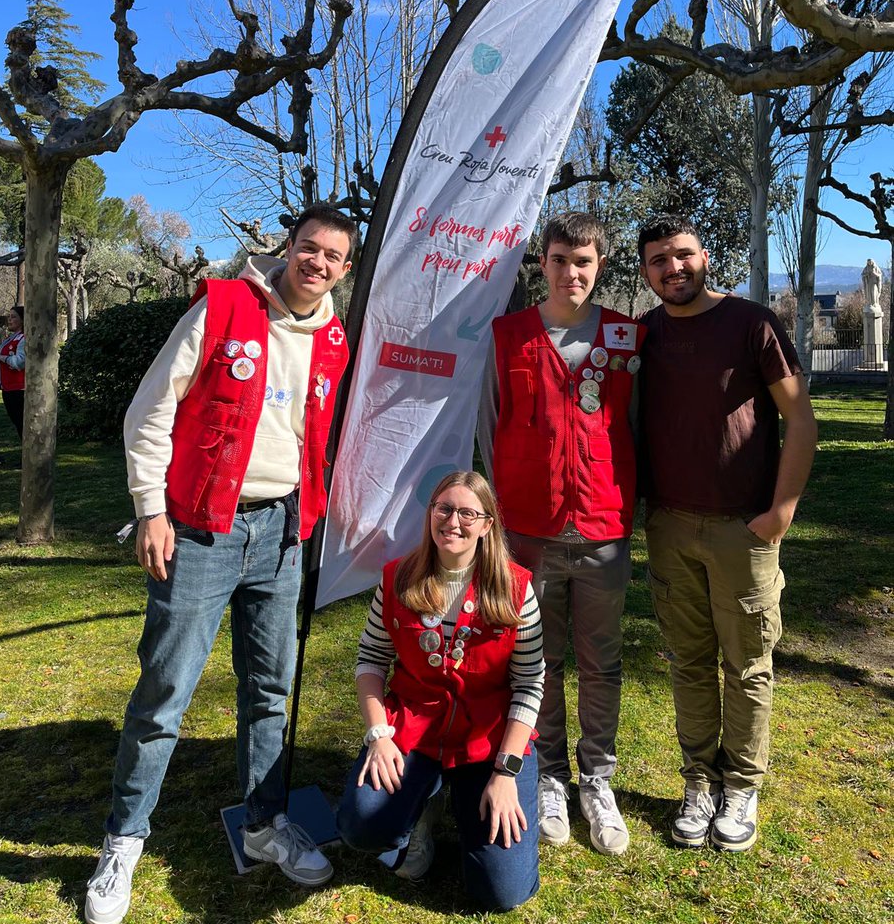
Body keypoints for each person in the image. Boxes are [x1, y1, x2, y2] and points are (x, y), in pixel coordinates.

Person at [85, 205, 356, 924]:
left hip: (284, 533)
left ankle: (265, 824)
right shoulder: (225, 307)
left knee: (271, 689)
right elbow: (150, 411)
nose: (317, 263)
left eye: (332, 256)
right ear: (288, 249)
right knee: (165, 693)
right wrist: (150, 509)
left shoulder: (333, 338)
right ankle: (124, 842)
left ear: (344, 269)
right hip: (202, 532)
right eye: (308, 249)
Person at [637, 214, 817, 853]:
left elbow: (801, 418)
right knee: (688, 662)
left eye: (682, 255)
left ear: (704, 256)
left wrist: (782, 510)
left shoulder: (752, 324)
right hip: (668, 525)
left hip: (744, 529)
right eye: (658, 260)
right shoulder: (645, 335)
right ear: (645, 271)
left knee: (747, 666)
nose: (673, 268)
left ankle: (741, 787)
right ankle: (698, 781)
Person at [478, 212, 645, 854]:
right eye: (559, 260)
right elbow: (491, 422)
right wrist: (497, 515)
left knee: (601, 662)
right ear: (541, 264)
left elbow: (639, 423)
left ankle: (596, 779)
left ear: (599, 265)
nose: (571, 272)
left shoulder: (626, 337)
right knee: (536, 661)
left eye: (584, 262)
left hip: (603, 526)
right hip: (529, 531)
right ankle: (547, 776)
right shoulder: (508, 336)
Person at [337, 471, 545, 913]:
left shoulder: (516, 589)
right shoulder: (397, 577)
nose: (453, 521)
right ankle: (422, 809)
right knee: (360, 828)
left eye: (468, 513)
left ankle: (478, 802)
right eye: (443, 508)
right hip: (412, 729)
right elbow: (371, 659)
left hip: (488, 742)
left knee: (502, 892)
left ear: (487, 524)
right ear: (430, 513)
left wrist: (506, 773)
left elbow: (530, 682)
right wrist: (379, 735)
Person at [0, 305, 25, 464]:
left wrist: (2, 358)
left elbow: (19, 362)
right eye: (9, 316)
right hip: (8, 388)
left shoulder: (23, 338)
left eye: (14, 317)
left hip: (19, 388)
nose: (10, 320)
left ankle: (29, 459)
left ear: (22, 320)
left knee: (23, 424)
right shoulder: (9, 338)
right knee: (18, 423)